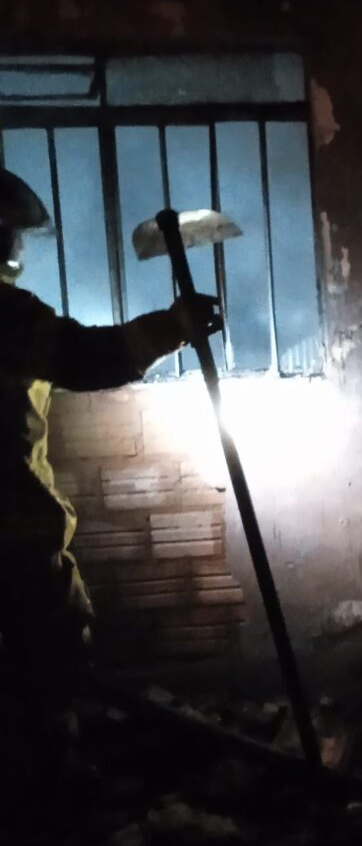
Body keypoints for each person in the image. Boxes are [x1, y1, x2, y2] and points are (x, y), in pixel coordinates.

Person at [0, 167, 221, 773]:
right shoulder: (7, 316)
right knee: (47, 666)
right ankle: (48, 796)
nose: (18, 249)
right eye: (12, 234)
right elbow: (86, 357)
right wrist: (175, 327)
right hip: (12, 534)